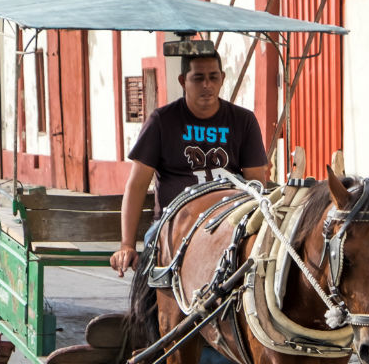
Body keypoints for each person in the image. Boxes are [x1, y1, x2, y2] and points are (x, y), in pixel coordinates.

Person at [109, 52, 271, 276]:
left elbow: (255, 184)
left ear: (223, 78)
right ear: (183, 81)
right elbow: (136, 185)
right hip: (172, 225)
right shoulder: (162, 122)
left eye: (213, 77)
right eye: (198, 78)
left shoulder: (243, 121)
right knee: (152, 281)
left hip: (229, 222)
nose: (207, 85)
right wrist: (126, 244)